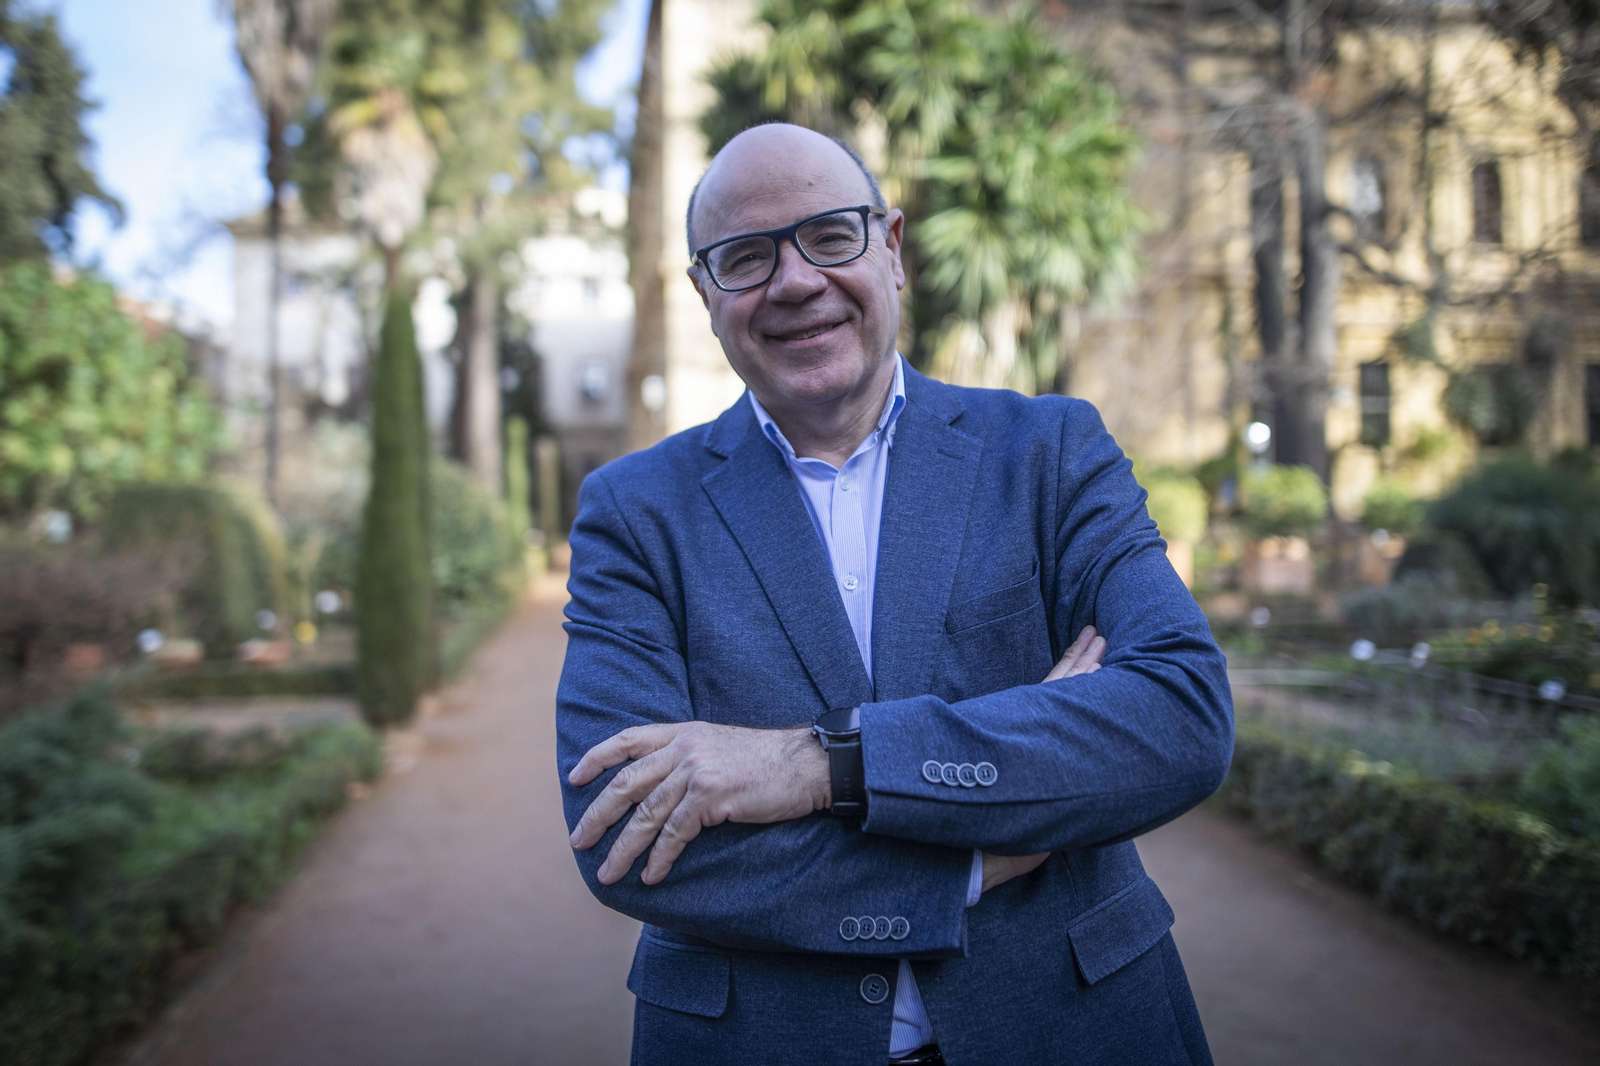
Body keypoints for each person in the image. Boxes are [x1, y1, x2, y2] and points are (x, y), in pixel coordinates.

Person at [556, 122, 1232, 1066]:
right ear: (705, 295)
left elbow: (1181, 717)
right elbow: (625, 831)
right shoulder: (633, 512)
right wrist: (979, 853)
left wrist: (824, 765)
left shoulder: (1049, 453)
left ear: (893, 248)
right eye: (745, 259)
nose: (795, 281)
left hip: (1076, 1029)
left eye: (830, 236)